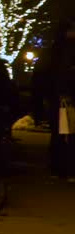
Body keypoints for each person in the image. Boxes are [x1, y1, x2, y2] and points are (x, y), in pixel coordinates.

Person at [44, 20, 75, 179]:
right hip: (66, 98)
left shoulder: (55, 51)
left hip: (59, 97)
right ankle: (66, 168)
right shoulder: (66, 51)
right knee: (68, 133)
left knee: (60, 133)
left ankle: (58, 167)